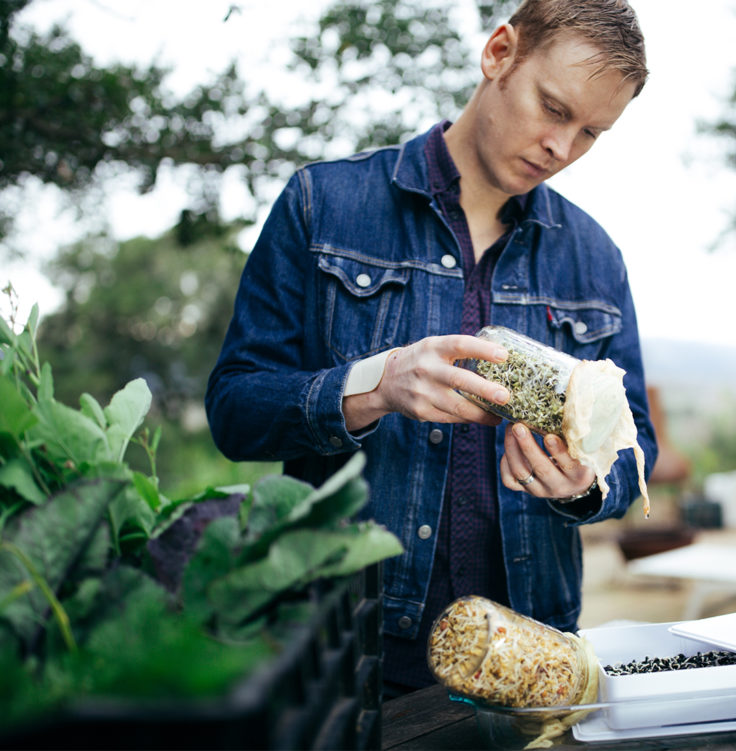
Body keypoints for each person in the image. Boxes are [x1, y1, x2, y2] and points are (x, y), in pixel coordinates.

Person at [205, 0, 657, 695]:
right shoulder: (320, 204)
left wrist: (587, 484)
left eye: (592, 132)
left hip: (528, 655)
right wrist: (371, 387)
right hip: (348, 650)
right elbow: (235, 408)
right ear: (499, 53)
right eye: (553, 109)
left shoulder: (596, 258)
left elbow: (636, 447)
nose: (561, 149)